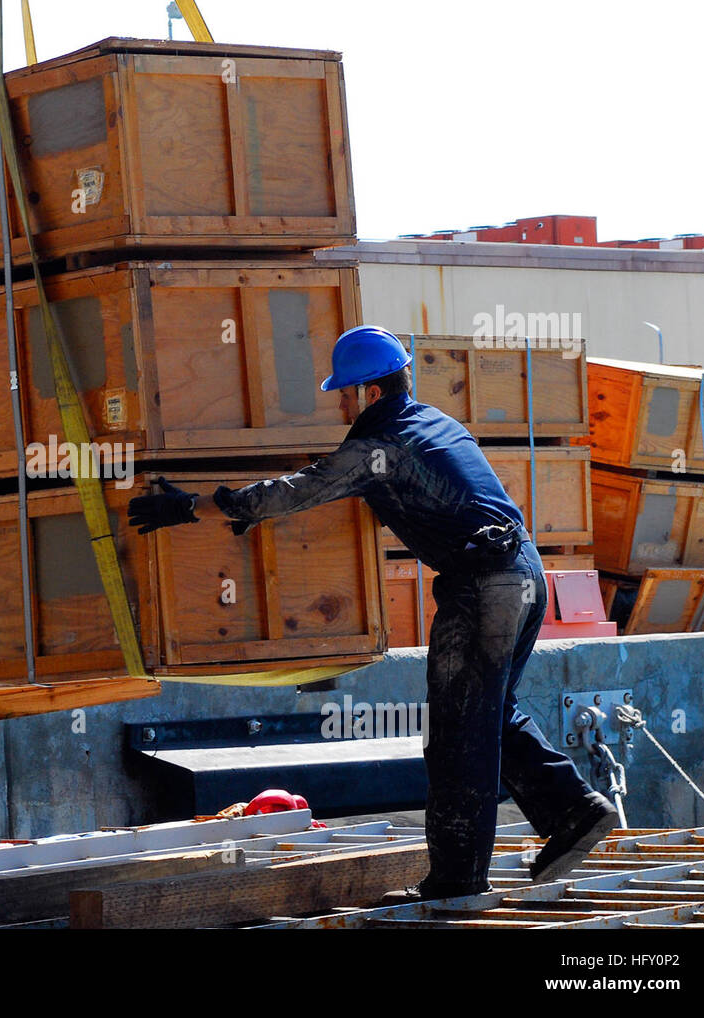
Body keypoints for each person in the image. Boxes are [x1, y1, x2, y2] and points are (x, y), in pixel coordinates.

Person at [127, 325, 617, 901]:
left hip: (482, 588)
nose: (340, 404)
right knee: (490, 714)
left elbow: (295, 490)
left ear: (370, 393)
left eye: (345, 393)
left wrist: (190, 506)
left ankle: (457, 880)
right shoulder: (438, 422)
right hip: (526, 575)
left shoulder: (378, 448)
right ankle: (575, 810)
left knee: (458, 736)